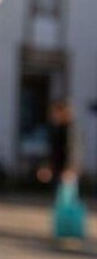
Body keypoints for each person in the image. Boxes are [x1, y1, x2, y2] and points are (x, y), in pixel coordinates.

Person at [46, 101, 86, 243]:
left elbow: (75, 150)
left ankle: (70, 232)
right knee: (60, 201)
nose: (53, 115)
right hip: (59, 170)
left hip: (68, 172)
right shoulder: (57, 128)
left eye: (56, 112)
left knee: (68, 201)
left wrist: (71, 168)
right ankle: (62, 231)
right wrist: (49, 167)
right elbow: (54, 152)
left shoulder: (71, 129)